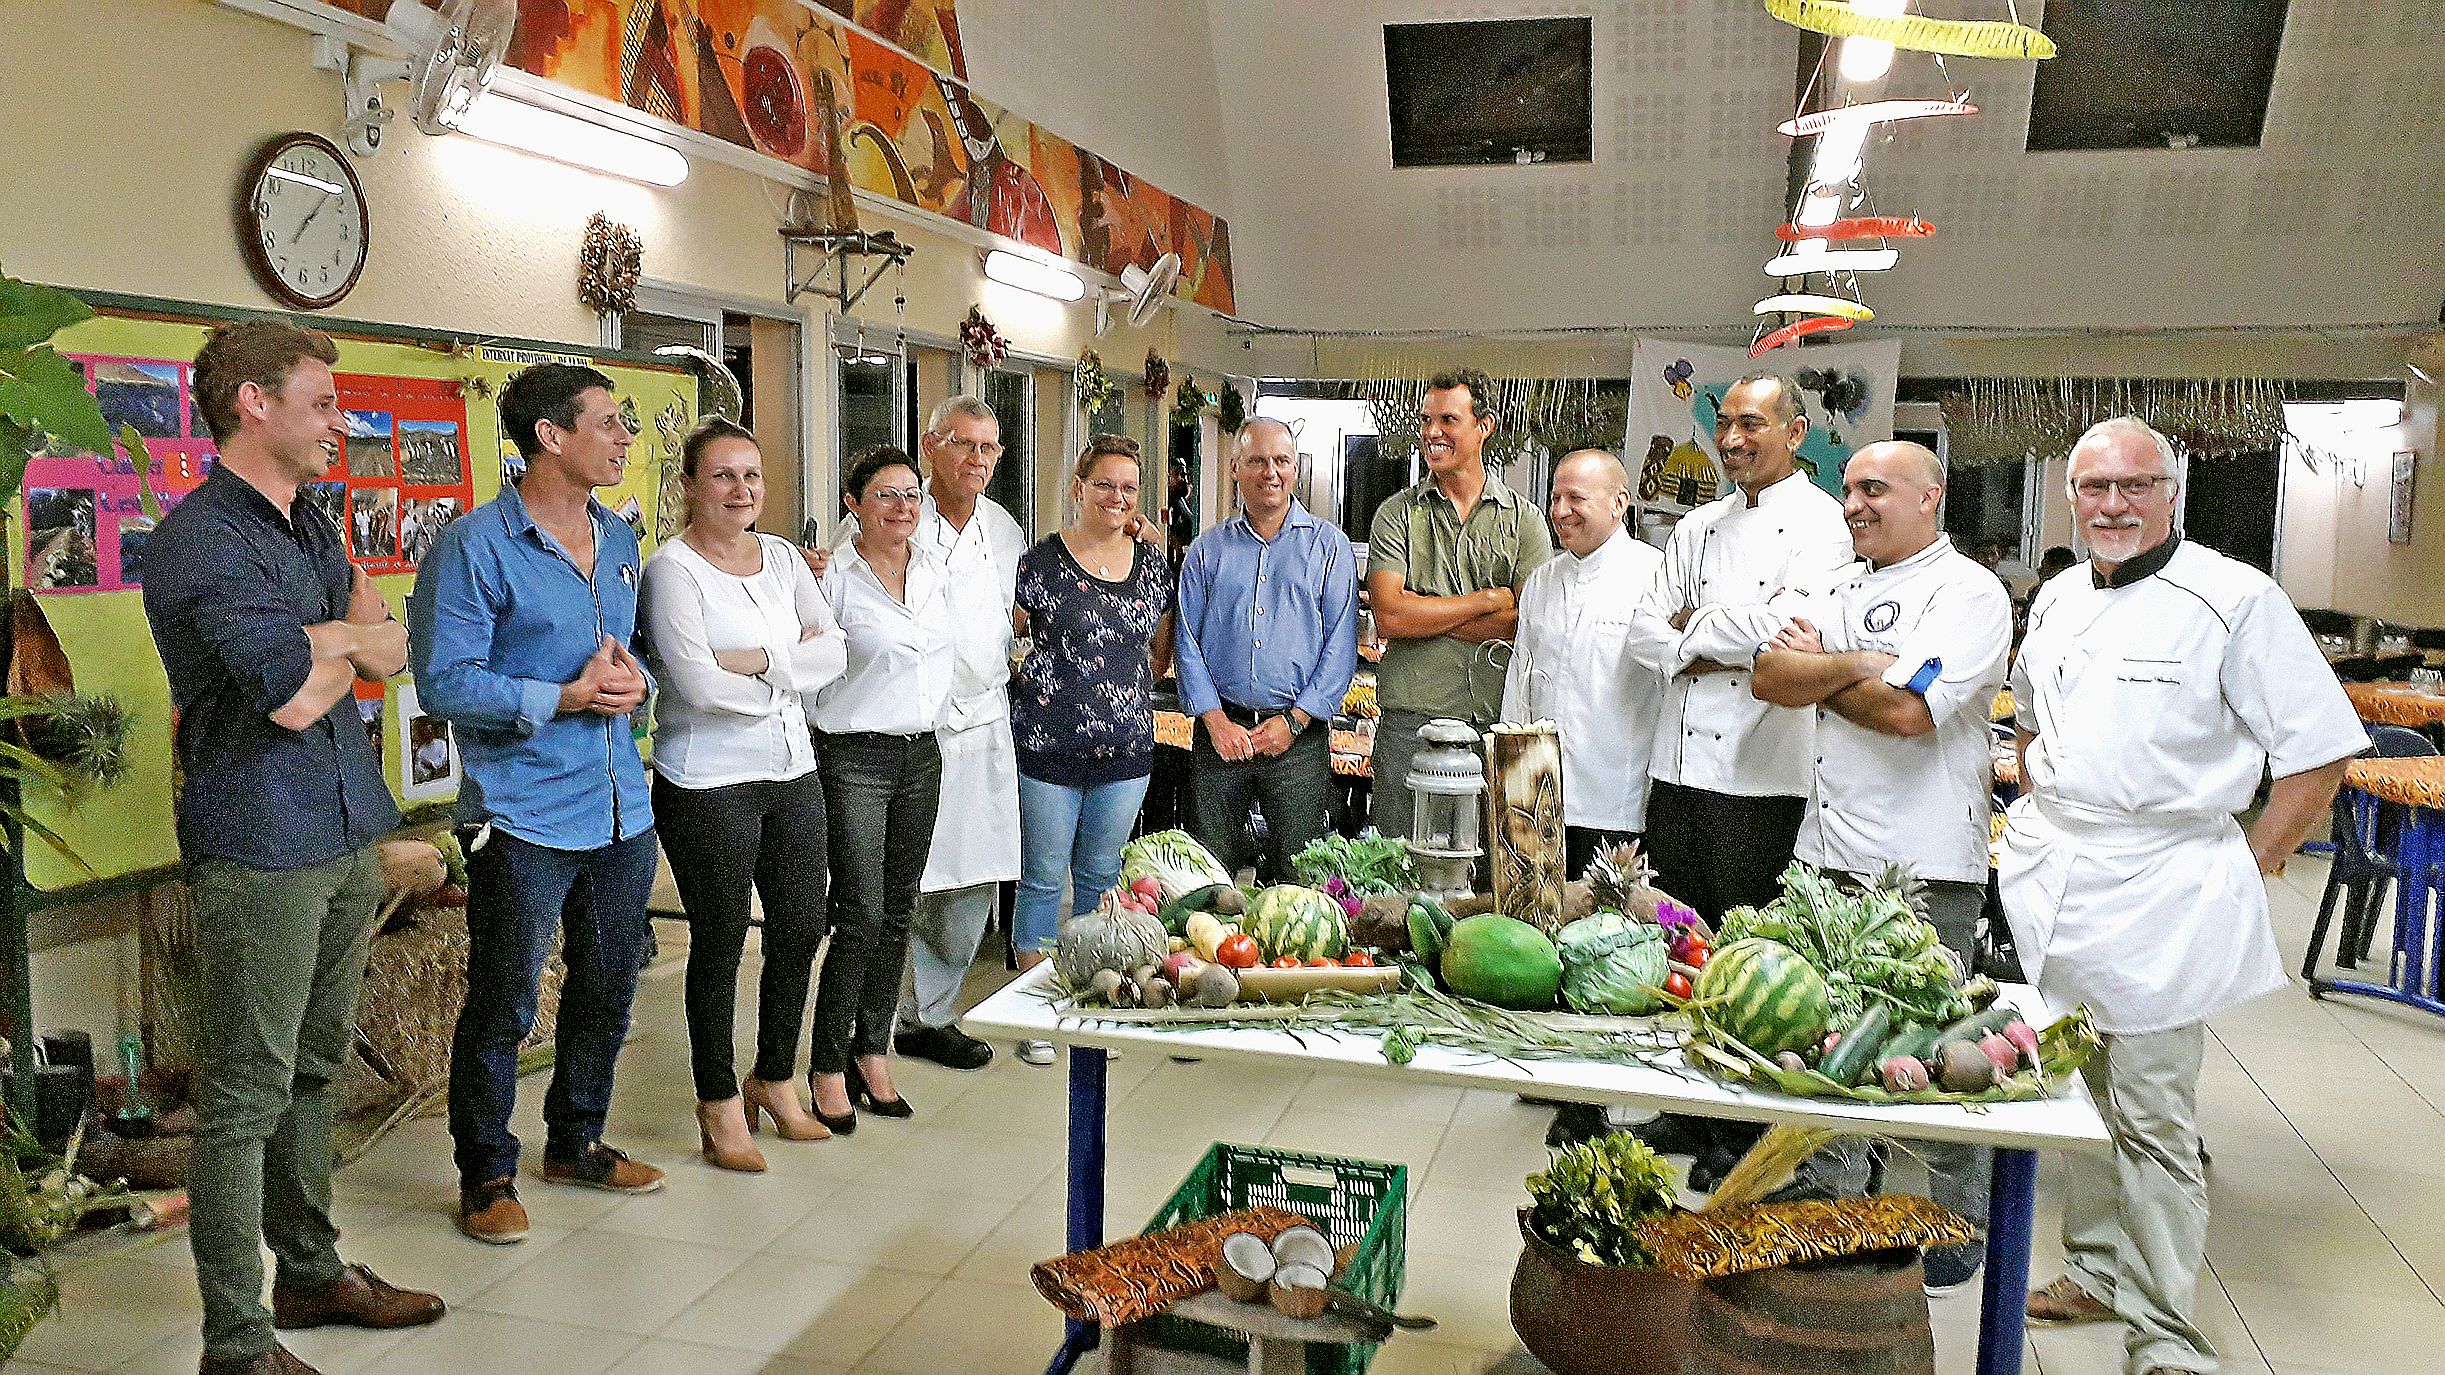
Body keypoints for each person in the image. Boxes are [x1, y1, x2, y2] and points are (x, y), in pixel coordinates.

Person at [2001, 418, 2365, 1375]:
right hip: (2060, 881)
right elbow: (2034, 721)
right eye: (2093, 488)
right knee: (2075, 1091)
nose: (2112, 505)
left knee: (2154, 1117)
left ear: (2172, 493)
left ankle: (2165, 1334)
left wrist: (2246, 865)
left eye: (2134, 486)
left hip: (2166, 885)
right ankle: (2091, 1270)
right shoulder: (2059, 598)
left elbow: (2318, 753)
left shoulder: (2233, 598)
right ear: (2071, 498)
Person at [144, 321, 443, 1375]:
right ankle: (237, 1342)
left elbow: (385, 646)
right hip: (259, 844)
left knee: (313, 1073)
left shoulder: (309, 522)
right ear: (252, 405)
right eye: (322, 402)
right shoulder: (199, 542)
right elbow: (284, 695)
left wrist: (335, 641)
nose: (341, 422)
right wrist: (335, 645)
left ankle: (311, 1271)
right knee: (242, 1099)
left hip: (342, 828)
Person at [1750, 440, 2013, 1295]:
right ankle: (1832, 1189)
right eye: (1848, 488)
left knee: (1936, 1041)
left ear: (1929, 496)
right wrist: (1857, 666)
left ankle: (1957, 1215)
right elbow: (1764, 677)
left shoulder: (1966, 593)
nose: (1853, 503)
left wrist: (1821, 671)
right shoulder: (1836, 582)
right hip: (1824, 854)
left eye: (1874, 489)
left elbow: (1908, 714)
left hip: (1923, 861)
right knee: (1824, 1034)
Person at [412, 362, 665, 1245]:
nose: (624, 437)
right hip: (520, 813)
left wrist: (635, 685)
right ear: (550, 437)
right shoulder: (473, 547)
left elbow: (622, 661)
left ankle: (577, 1139)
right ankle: (485, 1173)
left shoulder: (621, 541)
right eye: (607, 422)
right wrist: (560, 696)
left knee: (606, 985)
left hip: (619, 807)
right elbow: (444, 682)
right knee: (505, 1001)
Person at [1619, 371, 1851, 1188]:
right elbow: (1644, 633)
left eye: (1750, 423)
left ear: (1793, 432)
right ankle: (1686, 1102)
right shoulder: (1698, 526)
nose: (1730, 439)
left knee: (1746, 951)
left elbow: (1796, 632)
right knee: (1679, 938)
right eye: (1723, 423)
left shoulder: (1822, 524)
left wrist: (1696, 631)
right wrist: (1708, 639)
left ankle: (1740, 1122)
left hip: (1758, 772)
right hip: (1675, 764)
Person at [638, 418, 846, 1169]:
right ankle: (717, 1098)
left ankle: (773, 1075)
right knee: (720, 940)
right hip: (707, 781)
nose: (740, 490)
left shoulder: (785, 558)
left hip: (792, 769)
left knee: (800, 925)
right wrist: (788, 669)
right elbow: (694, 684)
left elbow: (836, 650)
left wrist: (757, 662)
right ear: (690, 485)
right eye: (723, 476)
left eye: (751, 476)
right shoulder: (672, 570)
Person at [1011, 435, 1175, 1064]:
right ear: (1078, 488)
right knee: (1044, 878)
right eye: (1104, 484)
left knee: (1104, 881)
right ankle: (1038, 1012)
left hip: (1126, 750)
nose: (1116, 497)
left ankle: (1096, 1002)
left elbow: (1157, 643)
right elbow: (1015, 638)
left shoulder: (1153, 563)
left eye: (1128, 488)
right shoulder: (1039, 563)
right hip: (1047, 747)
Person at [810, 447, 956, 1124]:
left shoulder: (934, 570)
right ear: (852, 503)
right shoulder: (829, 577)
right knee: (859, 913)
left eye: (911, 495)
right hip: (853, 758)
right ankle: (826, 1060)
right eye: (885, 495)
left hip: (921, 755)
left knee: (899, 910)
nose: (903, 507)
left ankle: (873, 1051)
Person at [1366, 369, 1553, 837]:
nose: (1432, 432)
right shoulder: (1396, 514)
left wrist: (1426, 612)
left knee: (1490, 873)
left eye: (1448, 419)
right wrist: (1486, 600)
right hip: (1411, 721)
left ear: (1484, 426)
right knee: (1398, 871)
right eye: (1427, 419)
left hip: (1497, 723)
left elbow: (1525, 622)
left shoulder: (1525, 520)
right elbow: (1389, 615)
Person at [1174, 417, 1359, 880]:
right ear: (1235, 468)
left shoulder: (1329, 547)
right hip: (1220, 737)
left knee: (1299, 881)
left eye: (1281, 461)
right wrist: (1214, 721)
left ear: (1296, 469)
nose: (1270, 472)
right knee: (1208, 877)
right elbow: (1186, 639)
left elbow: (1341, 643)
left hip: (1298, 741)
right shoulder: (1207, 549)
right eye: (1257, 461)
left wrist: (1295, 722)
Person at [1500, 448, 1667, 879]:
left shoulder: (1655, 576)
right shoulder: (1542, 579)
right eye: (1555, 499)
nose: (1560, 512)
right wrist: (1505, 777)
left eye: (1575, 499)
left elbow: (1671, 688)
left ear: (1619, 503)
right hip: (1536, 801)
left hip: (1616, 799)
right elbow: (1520, 682)